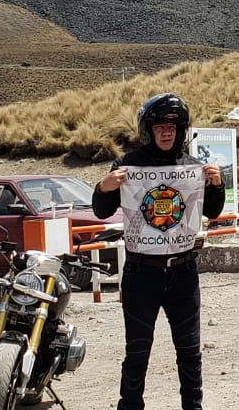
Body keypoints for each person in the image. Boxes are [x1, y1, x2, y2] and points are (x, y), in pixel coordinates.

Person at [93, 93, 225, 410]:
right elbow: (100, 211)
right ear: (148, 129)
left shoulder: (192, 166)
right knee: (137, 352)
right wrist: (104, 186)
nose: (167, 132)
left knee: (190, 351)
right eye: (160, 126)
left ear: (181, 130)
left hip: (183, 271)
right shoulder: (127, 164)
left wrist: (217, 184)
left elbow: (213, 212)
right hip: (141, 273)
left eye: (173, 126)